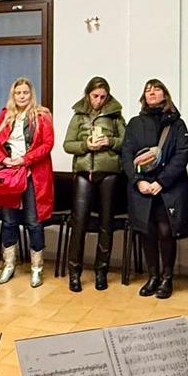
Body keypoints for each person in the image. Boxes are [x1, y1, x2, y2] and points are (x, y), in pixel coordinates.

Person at [121, 78, 188, 299]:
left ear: (165, 94)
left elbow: (181, 156)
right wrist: (138, 180)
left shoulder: (177, 124)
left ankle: (167, 278)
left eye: (156, 88)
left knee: (164, 231)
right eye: (147, 90)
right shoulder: (134, 123)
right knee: (147, 232)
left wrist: (161, 182)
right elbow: (126, 156)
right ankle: (153, 277)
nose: (151, 92)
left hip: (168, 188)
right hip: (141, 187)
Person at [0, 77, 55, 287]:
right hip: (10, 176)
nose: (22, 96)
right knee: (9, 221)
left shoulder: (42, 115)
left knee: (33, 222)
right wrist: (3, 159)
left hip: (33, 175)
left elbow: (48, 144)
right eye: (18, 93)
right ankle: (9, 265)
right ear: (13, 95)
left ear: (31, 93)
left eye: (25, 93)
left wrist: (24, 160)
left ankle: (37, 268)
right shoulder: (5, 114)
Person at [61, 76, 125, 292]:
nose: (98, 100)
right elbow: (67, 145)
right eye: (95, 96)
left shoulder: (115, 114)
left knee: (106, 224)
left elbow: (127, 142)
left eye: (102, 97)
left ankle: (101, 271)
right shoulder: (78, 115)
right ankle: (75, 272)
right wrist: (86, 145)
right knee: (79, 223)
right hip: (83, 173)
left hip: (109, 172)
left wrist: (111, 142)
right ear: (88, 94)